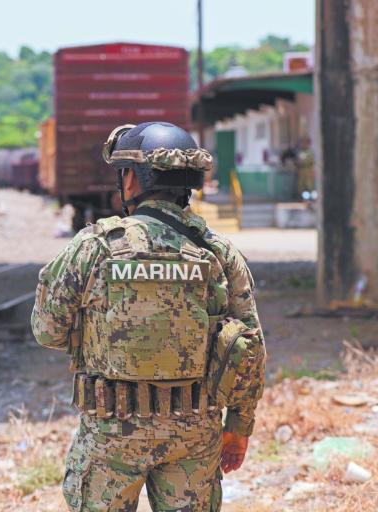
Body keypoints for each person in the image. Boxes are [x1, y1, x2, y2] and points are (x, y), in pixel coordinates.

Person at [31, 121, 266, 511]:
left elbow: (46, 331)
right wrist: (239, 427)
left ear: (132, 180)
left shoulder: (94, 247)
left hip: (111, 432)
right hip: (194, 432)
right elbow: (250, 347)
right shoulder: (218, 252)